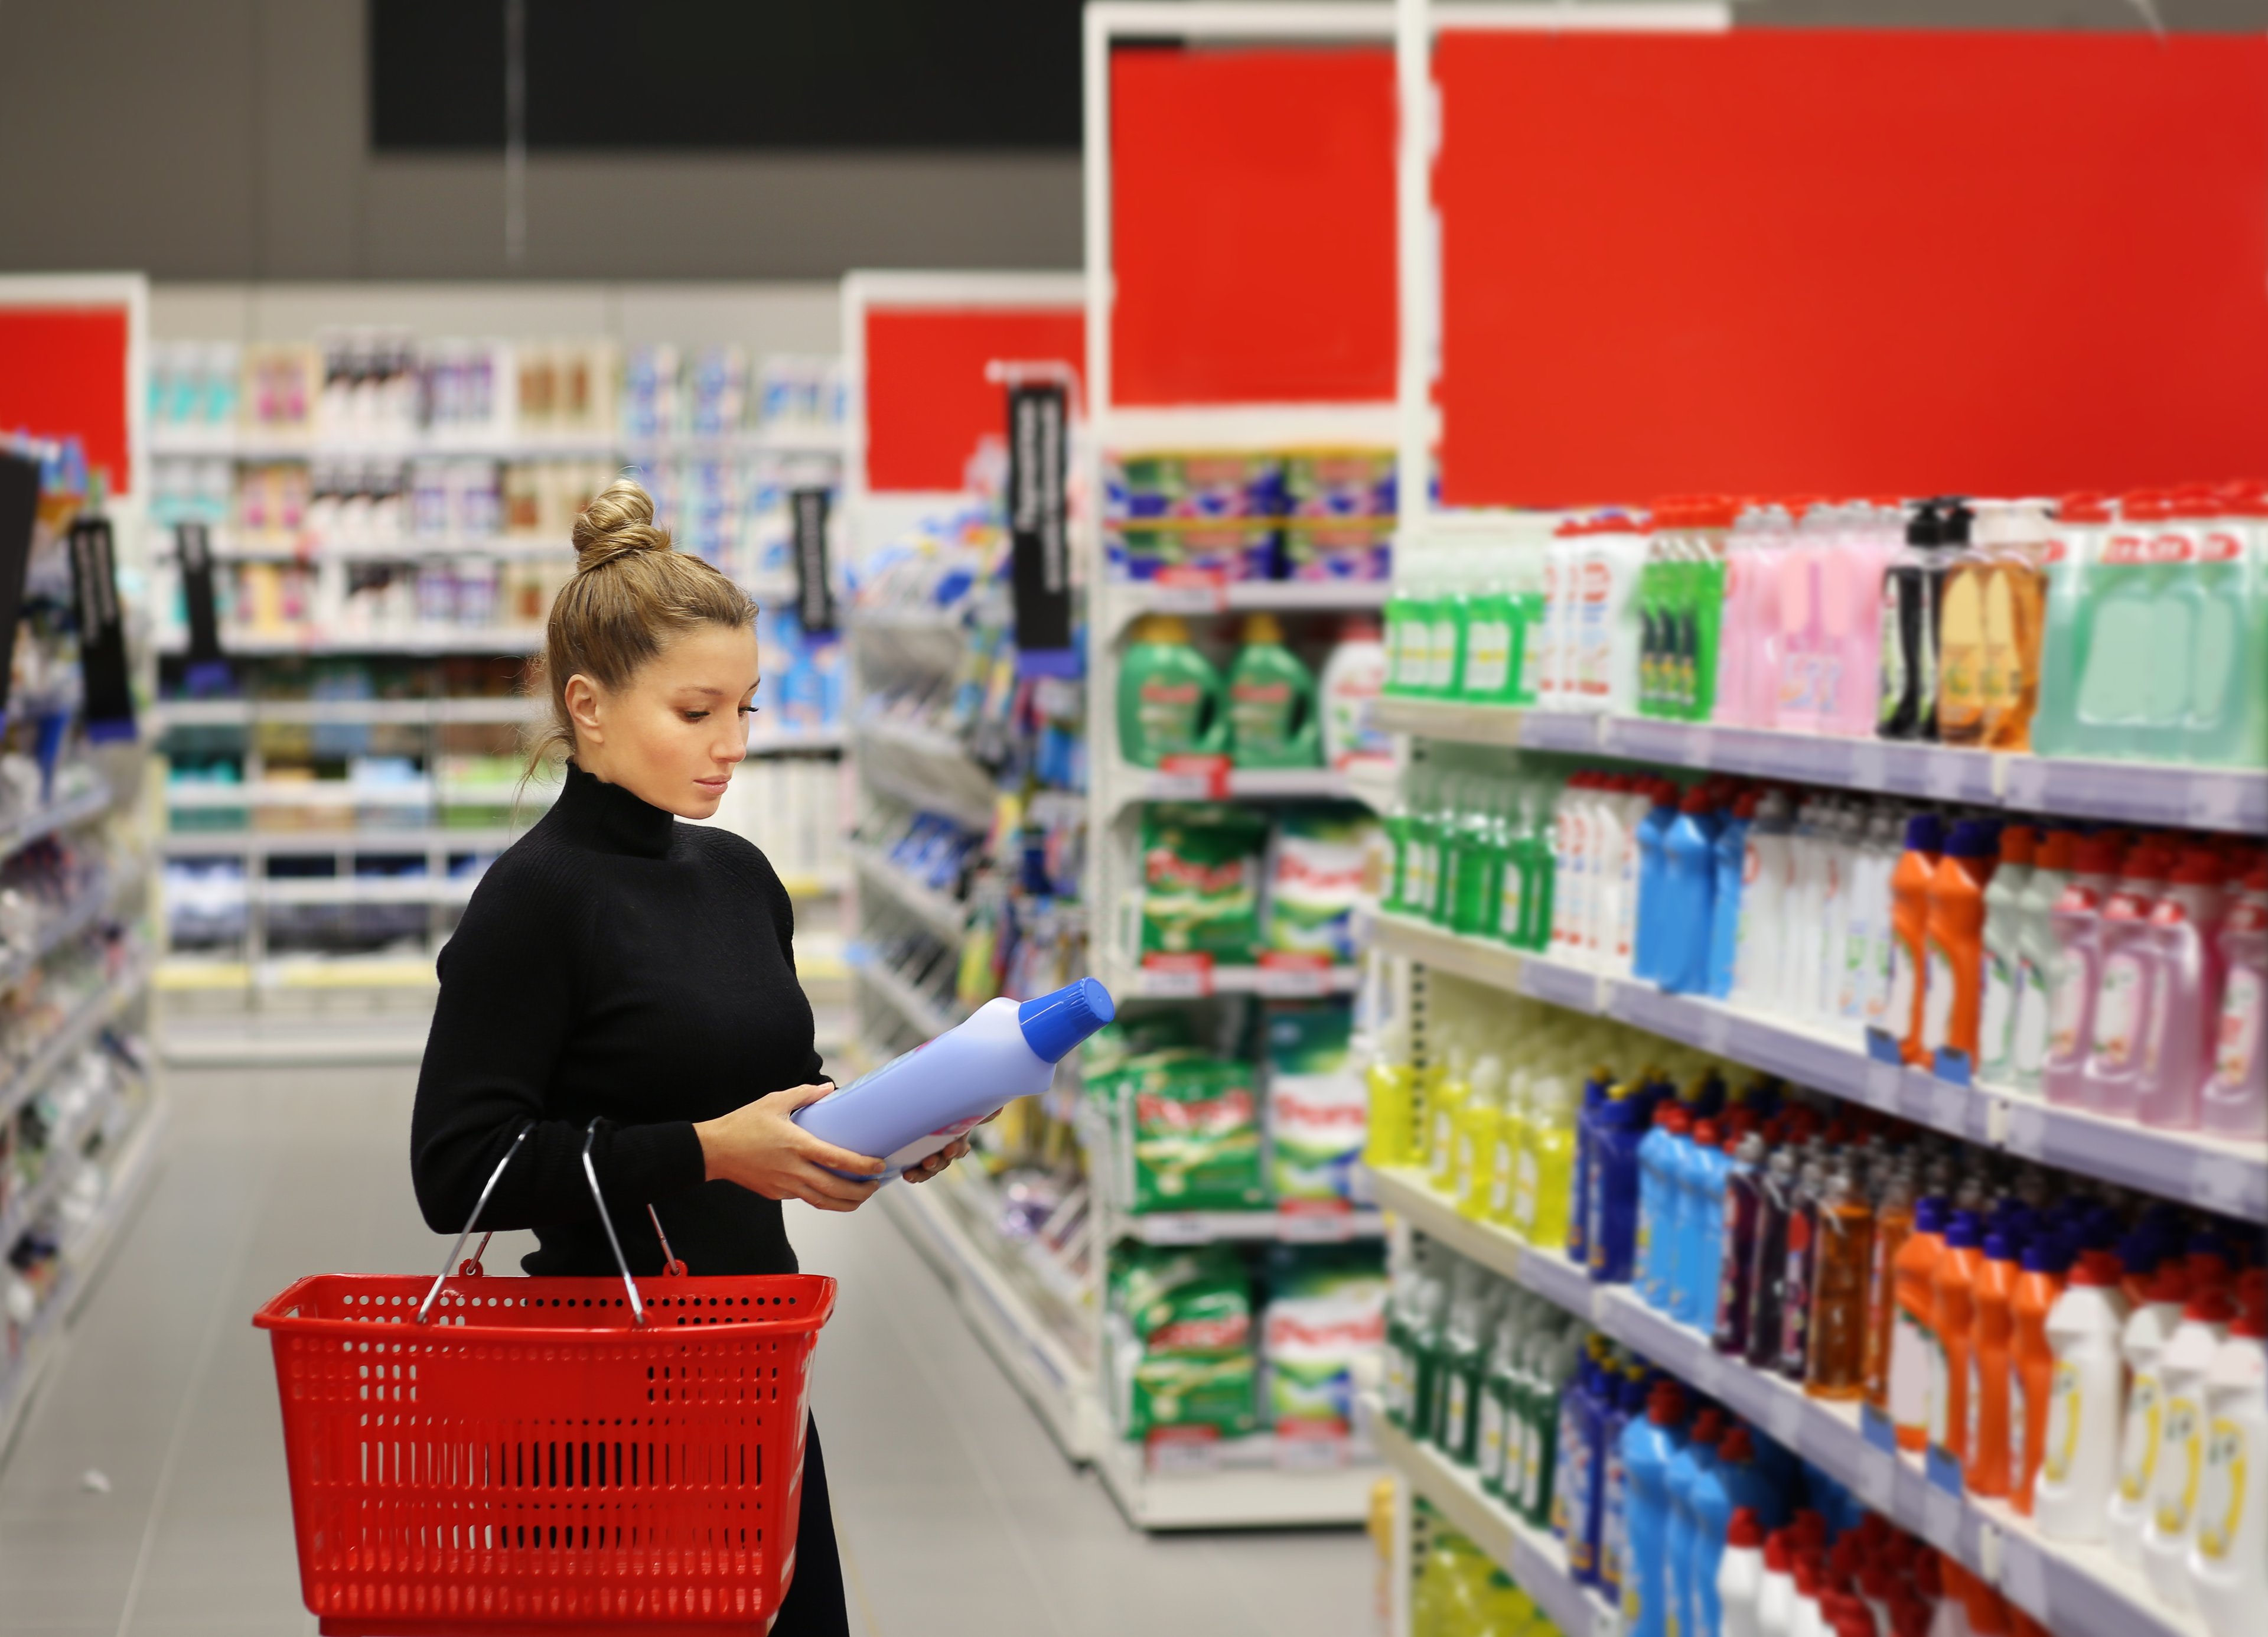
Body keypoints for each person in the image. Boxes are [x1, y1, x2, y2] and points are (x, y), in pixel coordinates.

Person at [410, 476, 964, 1636]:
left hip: (756, 1366)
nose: (731, 748)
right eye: (696, 711)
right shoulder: (533, 901)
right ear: (591, 707)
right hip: (596, 1394)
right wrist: (708, 1153)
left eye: (747, 711)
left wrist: (890, 1128)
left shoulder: (738, 879)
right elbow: (458, 1171)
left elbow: (778, 1099)